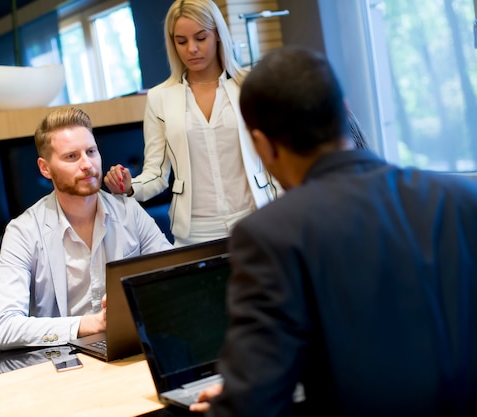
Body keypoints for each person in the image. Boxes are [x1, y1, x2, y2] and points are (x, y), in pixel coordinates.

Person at [191, 46, 477, 416]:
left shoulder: (271, 234)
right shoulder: (462, 199)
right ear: (344, 112)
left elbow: (252, 404)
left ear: (262, 144)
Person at [0, 107, 173, 350]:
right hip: (60, 361)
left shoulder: (128, 210)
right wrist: (91, 324)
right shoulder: (23, 231)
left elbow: (172, 277)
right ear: (45, 168)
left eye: (91, 151)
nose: (87, 164)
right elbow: (4, 327)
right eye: (71, 157)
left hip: (132, 349)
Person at [104, 0, 277, 247]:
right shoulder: (160, 97)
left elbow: (276, 157)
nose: (192, 49)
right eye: (181, 41)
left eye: (200, 38)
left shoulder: (250, 86)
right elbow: (156, 175)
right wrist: (131, 187)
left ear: (217, 34)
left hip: (257, 220)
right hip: (195, 232)